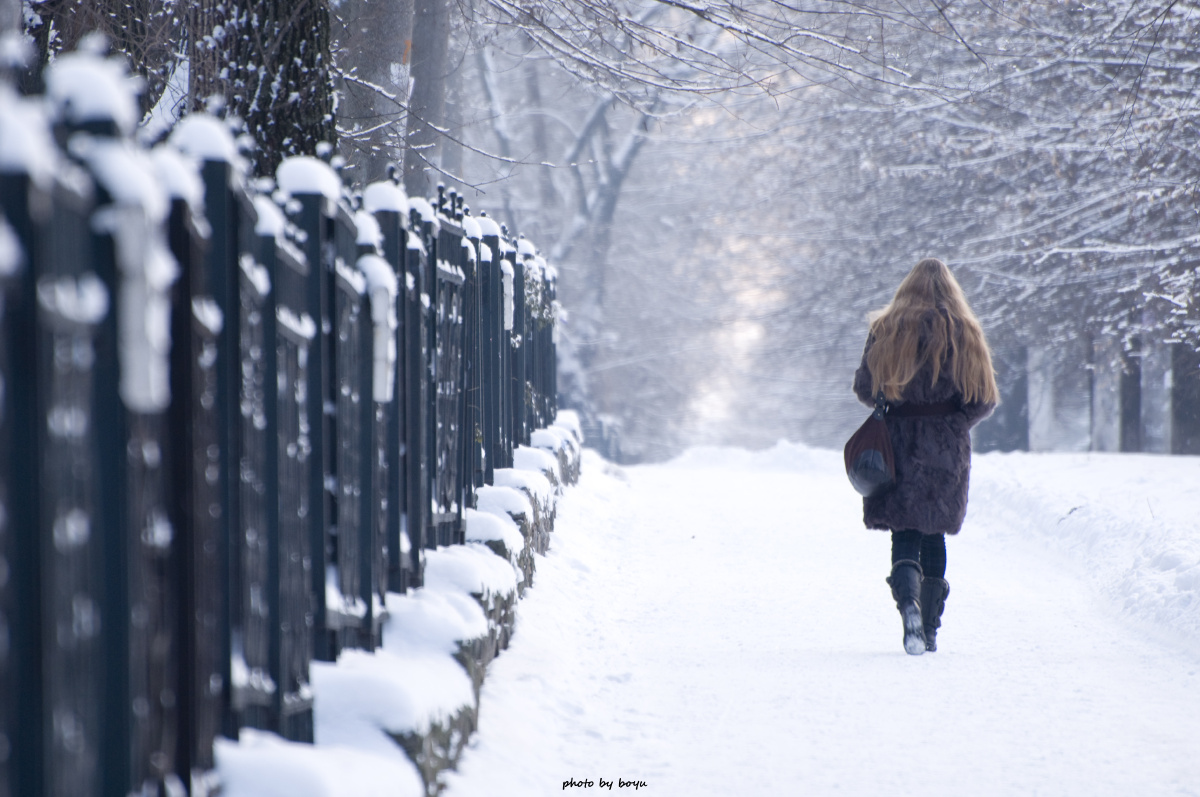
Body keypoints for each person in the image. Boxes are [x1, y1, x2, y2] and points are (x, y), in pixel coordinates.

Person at [852, 258, 998, 655]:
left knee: (904, 530)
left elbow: (865, 388)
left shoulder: (885, 328)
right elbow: (985, 397)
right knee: (934, 532)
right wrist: (953, 422)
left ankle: (908, 608)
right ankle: (931, 627)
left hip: (898, 440)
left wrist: (897, 403)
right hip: (947, 443)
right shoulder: (965, 331)